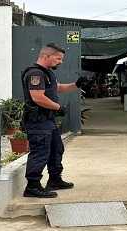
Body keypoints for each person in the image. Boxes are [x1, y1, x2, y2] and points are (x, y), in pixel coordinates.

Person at [21, 43, 88, 198]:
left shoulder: (47, 73)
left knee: (56, 149)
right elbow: (37, 97)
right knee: (40, 152)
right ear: (46, 56)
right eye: (58, 58)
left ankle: (55, 179)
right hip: (37, 121)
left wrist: (76, 85)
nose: (60, 61)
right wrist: (58, 107)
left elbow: (57, 88)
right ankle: (32, 186)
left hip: (48, 121)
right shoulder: (35, 74)